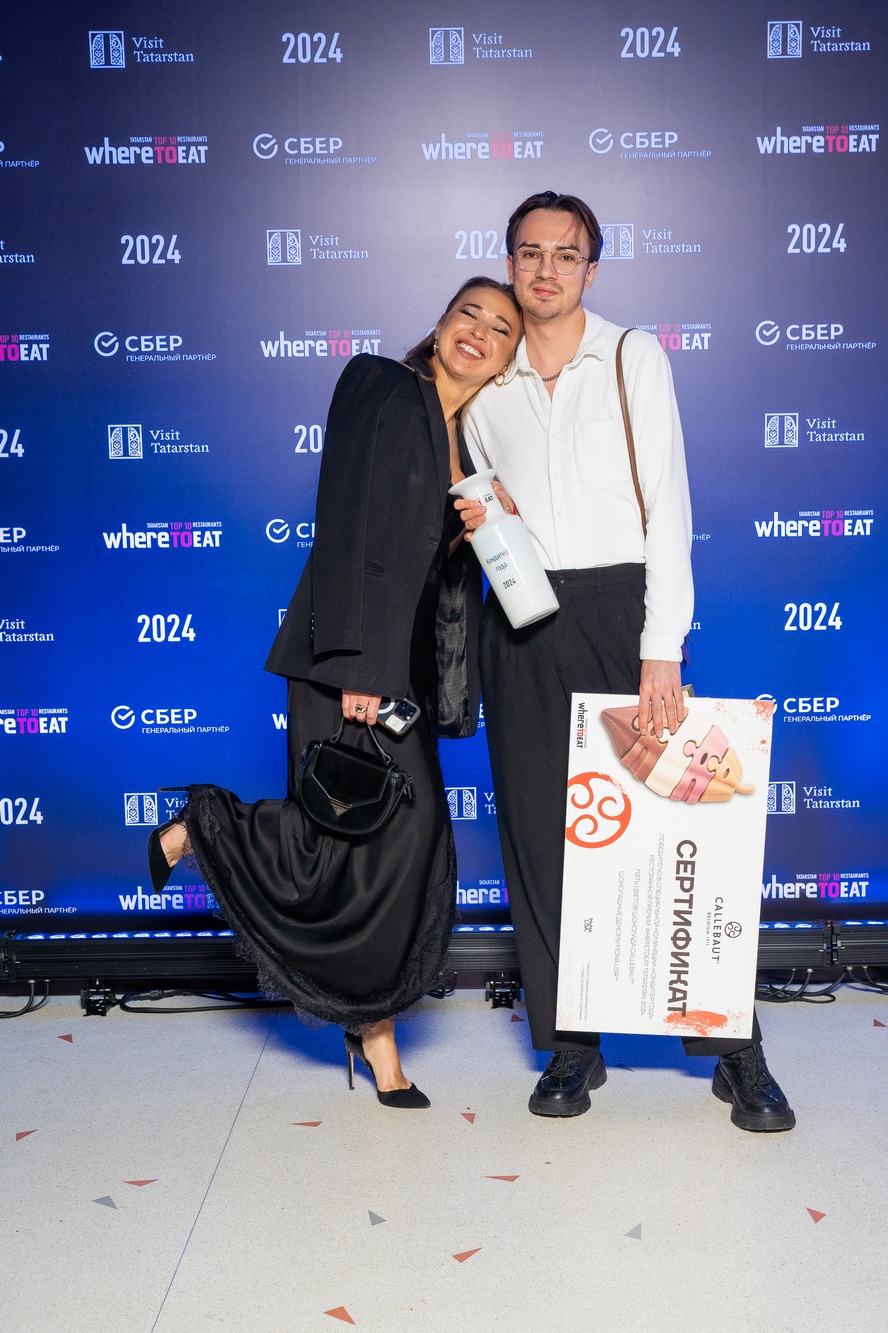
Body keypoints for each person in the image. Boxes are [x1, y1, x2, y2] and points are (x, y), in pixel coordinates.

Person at [458, 192, 795, 1132]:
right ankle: (572, 1041)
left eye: (565, 254)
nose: (545, 270)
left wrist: (661, 646)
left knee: (680, 829)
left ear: (591, 268)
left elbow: (668, 507)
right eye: (530, 253)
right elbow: (481, 501)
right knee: (539, 834)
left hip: (623, 607)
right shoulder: (487, 378)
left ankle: (737, 1050)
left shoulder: (630, 355)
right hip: (522, 616)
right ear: (509, 263)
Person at [148, 277, 522, 1108]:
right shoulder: (380, 383)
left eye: (501, 328)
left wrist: (476, 530)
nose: (480, 331)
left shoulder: (466, 441)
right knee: (359, 839)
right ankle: (204, 827)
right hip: (351, 661)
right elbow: (346, 521)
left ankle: (370, 1028)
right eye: (469, 313)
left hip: (404, 672)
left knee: (370, 849)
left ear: (507, 359)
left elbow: (429, 568)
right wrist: (359, 663)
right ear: (440, 322)